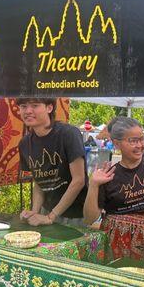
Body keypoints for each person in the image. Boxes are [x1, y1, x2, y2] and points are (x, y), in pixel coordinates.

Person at [83, 117, 144, 263]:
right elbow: (90, 218)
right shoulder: (108, 175)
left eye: (142, 139)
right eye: (133, 141)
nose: (140, 145)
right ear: (116, 143)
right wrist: (94, 185)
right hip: (114, 244)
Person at [17, 97, 87, 227]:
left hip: (75, 215)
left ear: (49, 108)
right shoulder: (24, 144)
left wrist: (51, 216)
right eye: (23, 106)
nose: (28, 111)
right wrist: (34, 212)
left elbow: (79, 180)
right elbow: (39, 182)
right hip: (47, 212)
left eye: (35, 105)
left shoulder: (69, 134)